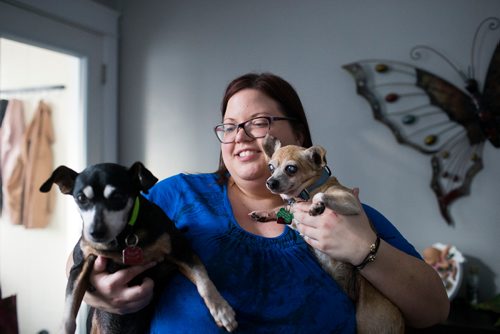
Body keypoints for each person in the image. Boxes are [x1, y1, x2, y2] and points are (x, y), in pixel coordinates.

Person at [81, 72, 449, 332]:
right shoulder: (177, 195)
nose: (240, 136)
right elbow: (84, 254)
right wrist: (98, 294)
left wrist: (362, 248)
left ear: (300, 137)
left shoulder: (343, 210)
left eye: (258, 123)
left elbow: (434, 309)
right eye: (229, 125)